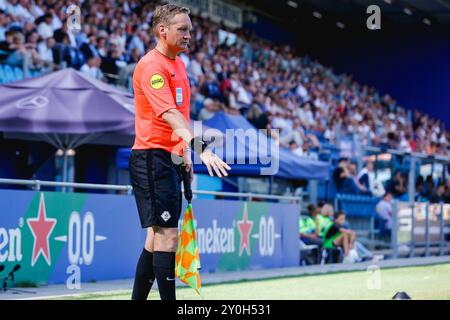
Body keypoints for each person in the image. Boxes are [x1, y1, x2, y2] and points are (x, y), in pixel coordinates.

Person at [128, 4, 230, 301]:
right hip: (151, 157)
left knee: (155, 238)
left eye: (189, 29)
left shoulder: (179, 65)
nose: (189, 35)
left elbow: (182, 117)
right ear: (163, 30)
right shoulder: (152, 67)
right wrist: (202, 150)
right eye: (182, 29)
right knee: (168, 236)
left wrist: (184, 153)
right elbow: (170, 114)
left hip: (170, 157)